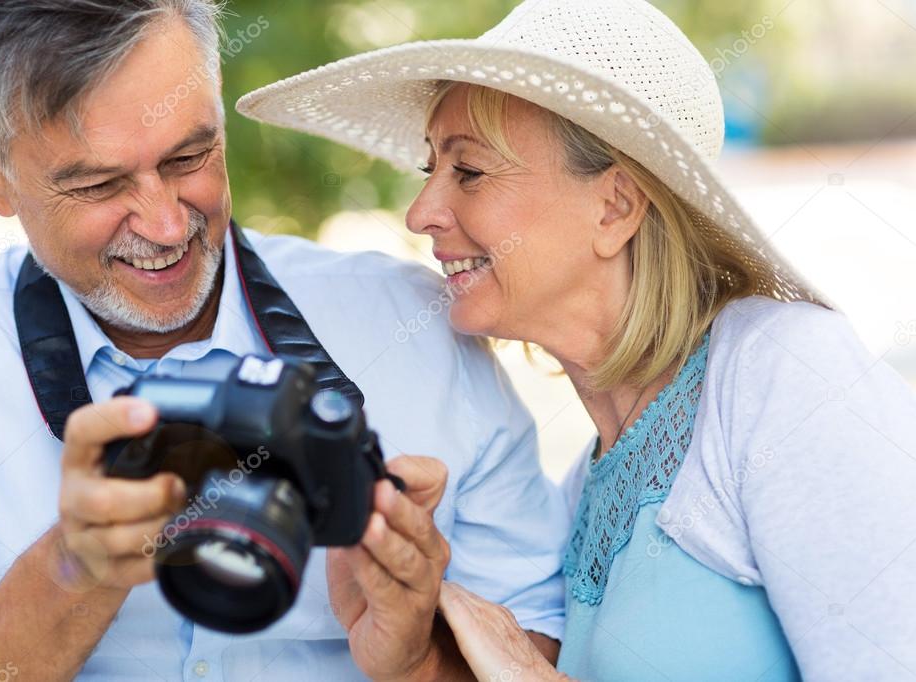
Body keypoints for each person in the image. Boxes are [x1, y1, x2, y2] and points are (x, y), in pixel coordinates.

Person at [236, 0, 916, 679]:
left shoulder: (784, 373)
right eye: (429, 171)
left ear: (614, 207)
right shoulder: (582, 488)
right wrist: (417, 659)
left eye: (467, 171)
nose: (422, 214)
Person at [0, 1, 571, 680]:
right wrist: (75, 568)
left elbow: (535, 650)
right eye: (98, 184)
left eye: (190, 157)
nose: (164, 226)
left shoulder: (420, 328)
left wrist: (421, 659)